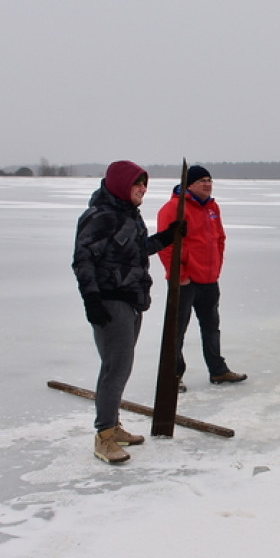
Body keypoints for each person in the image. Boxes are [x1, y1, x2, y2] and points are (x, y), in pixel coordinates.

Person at [72, 161, 182, 464]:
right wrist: (92, 300)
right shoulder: (100, 217)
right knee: (115, 368)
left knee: (121, 366)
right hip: (110, 301)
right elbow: (83, 261)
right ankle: (104, 436)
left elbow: (135, 251)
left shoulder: (128, 216)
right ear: (121, 184)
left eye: (145, 185)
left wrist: (166, 238)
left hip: (131, 300)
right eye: (137, 184)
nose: (143, 190)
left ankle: (113, 426)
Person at [156, 165, 245, 392]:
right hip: (185, 282)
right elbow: (165, 246)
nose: (207, 184)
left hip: (209, 280)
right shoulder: (174, 209)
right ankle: (173, 375)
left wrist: (216, 268)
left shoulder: (212, 208)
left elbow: (220, 239)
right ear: (189, 185)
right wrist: (181, 275)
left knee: (211, 328)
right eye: (201, 180)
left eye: (209, 180)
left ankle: (218, 370)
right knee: (177, 330)